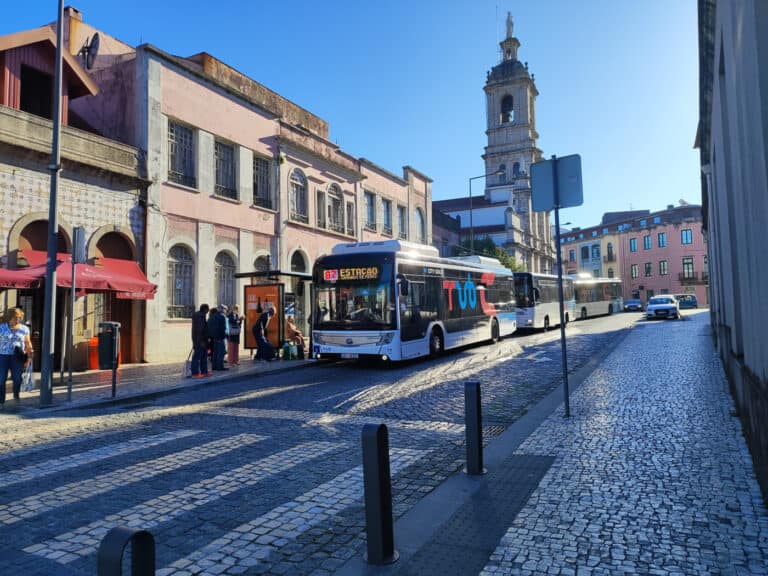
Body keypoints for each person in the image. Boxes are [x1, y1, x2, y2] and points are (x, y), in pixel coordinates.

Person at [0, 307, 33, 405]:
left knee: (17, 378)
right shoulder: (1, 327)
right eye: (15, 317)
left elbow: (27, 343)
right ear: (10, 317)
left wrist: (29, 357)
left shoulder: (24, 329)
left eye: (19, 317)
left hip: (18, 357)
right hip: (2, 356)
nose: (18, 319)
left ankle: (16, 395)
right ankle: (1, 401)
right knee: (1, 379)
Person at [190, 304, 211, 378]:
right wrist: (199, 341)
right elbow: (199, 330)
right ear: (205, 309)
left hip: (201, 340)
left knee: (203, 357)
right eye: (208, 309)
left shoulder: (201, 316)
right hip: (200, 341)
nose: (208, 311)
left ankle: (204, 371)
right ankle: (195, 373)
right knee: (197, 357)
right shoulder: (200, 317)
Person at [207, 306, 228, 370]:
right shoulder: (222, 316)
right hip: (220, 337)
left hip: (214, 337)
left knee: (215, 352)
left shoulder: (211, 317)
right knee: (221, 352)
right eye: (225, 310)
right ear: (223, 310)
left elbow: (209, 327)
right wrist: (223, 336)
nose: (226, 311)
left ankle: (214, 366)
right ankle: (220, 366)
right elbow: (223, 328)